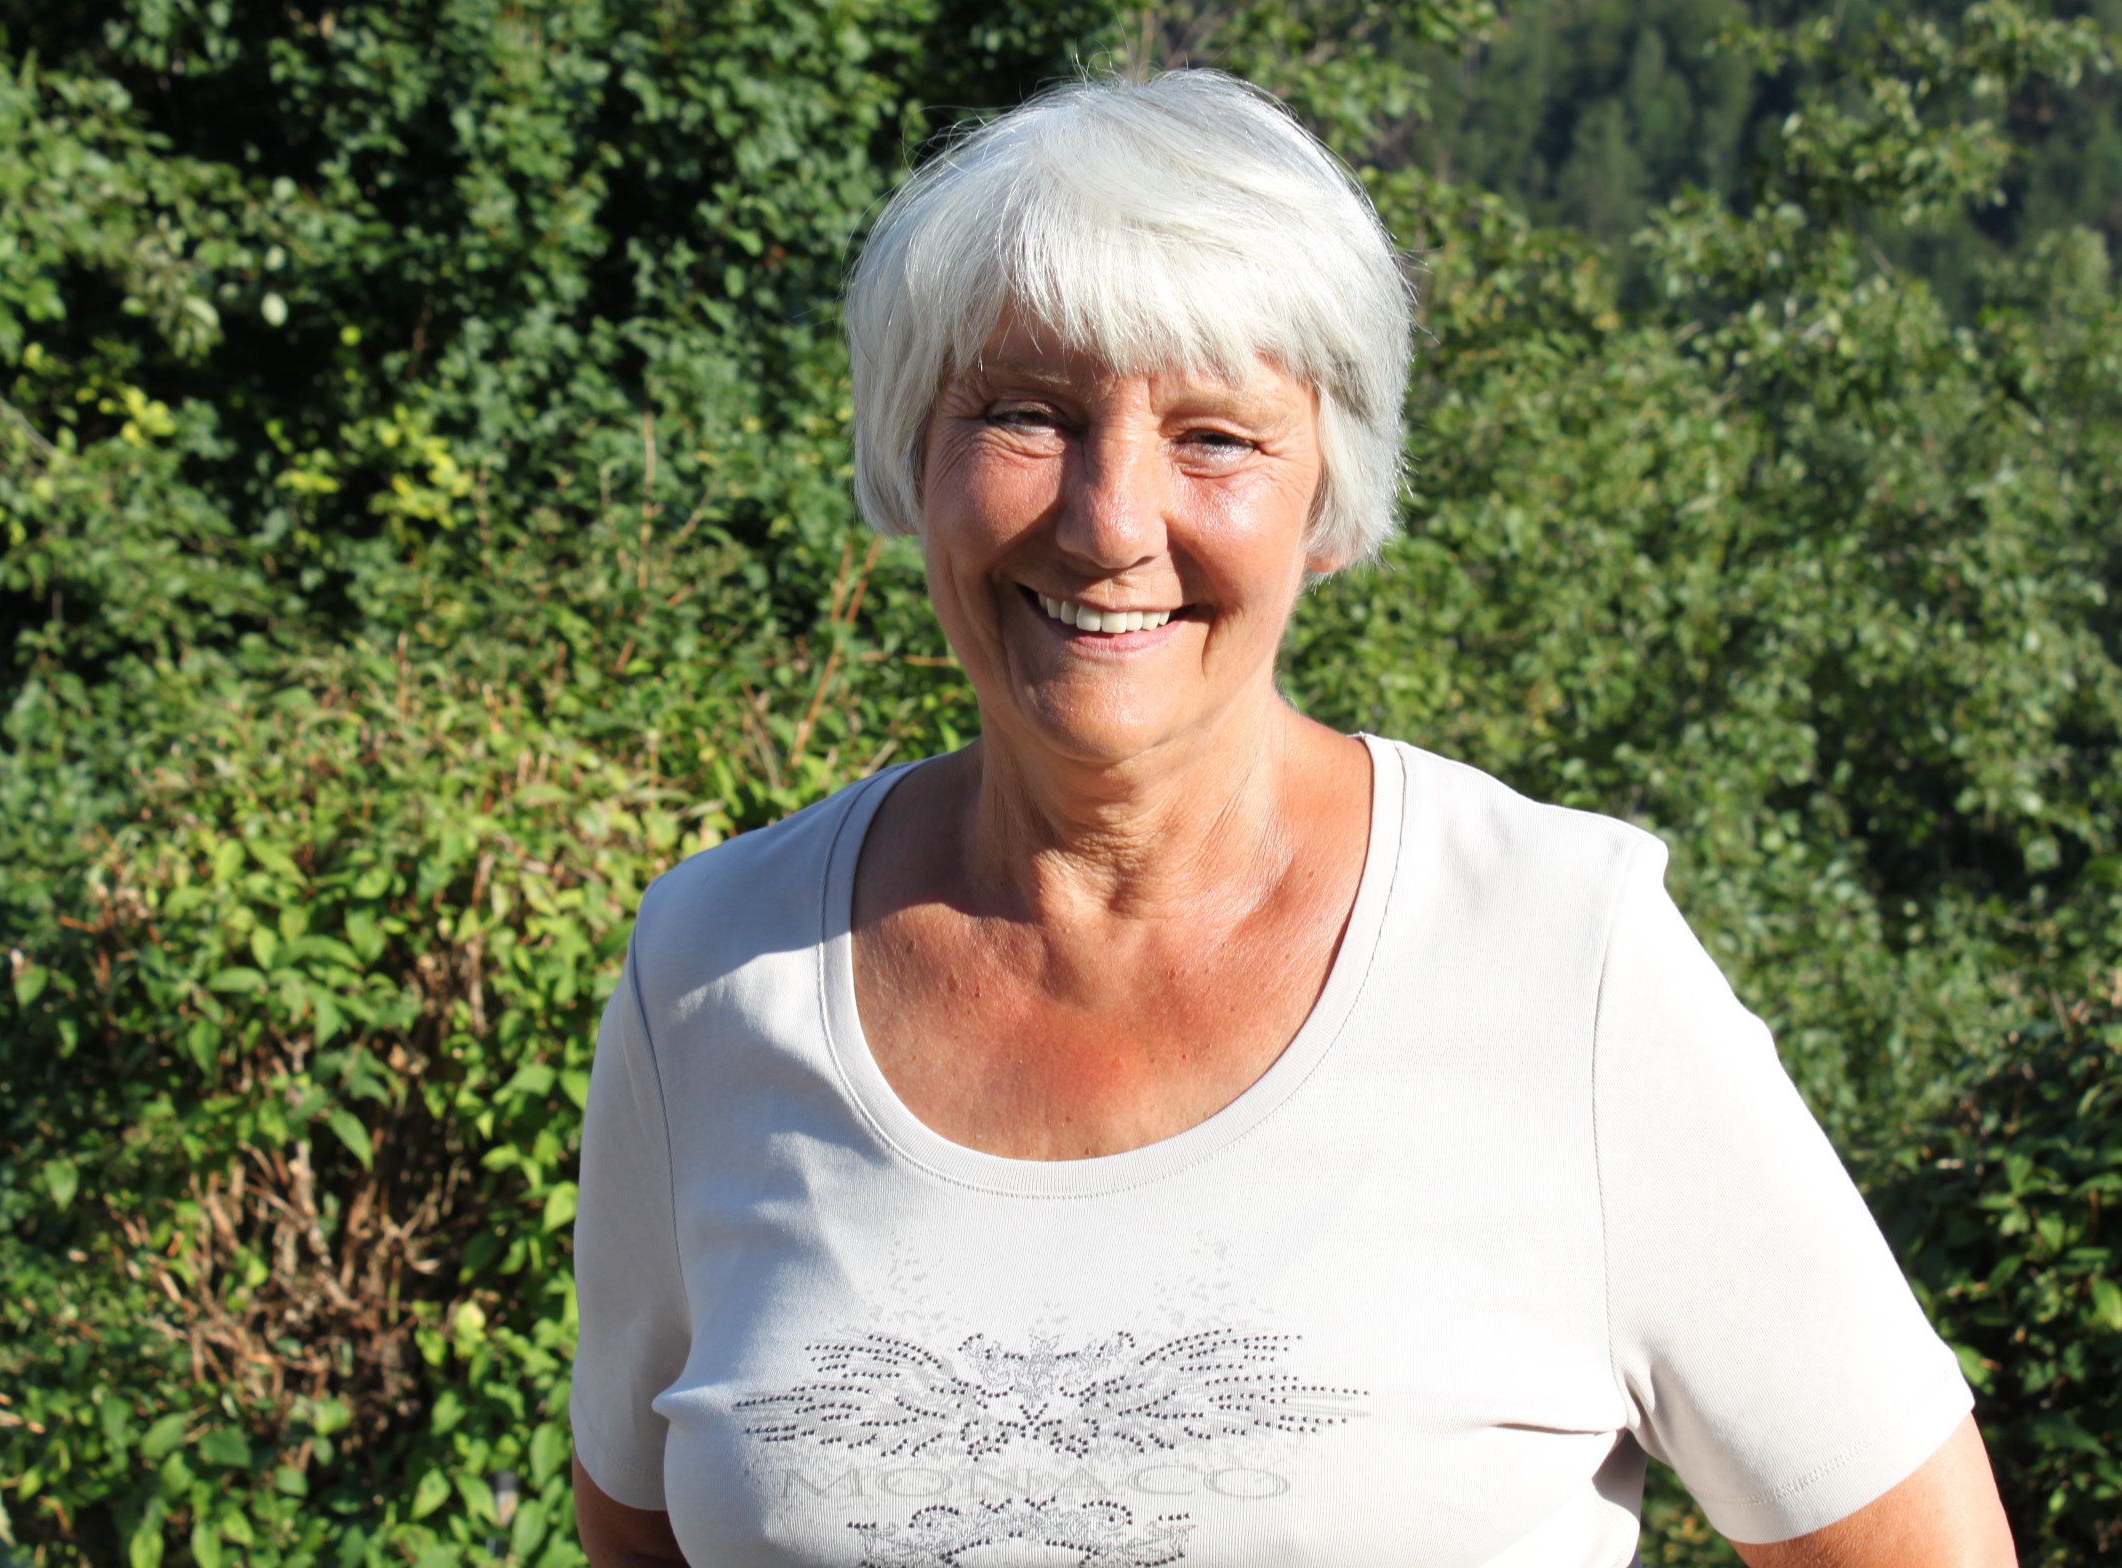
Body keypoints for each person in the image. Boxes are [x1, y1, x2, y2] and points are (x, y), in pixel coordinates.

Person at [566, 70, 2016, 1568]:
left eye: (1214, 437)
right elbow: (639, 1532)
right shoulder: (713, 969)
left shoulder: (1563, 956)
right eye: (1025, 415)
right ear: (913, 452)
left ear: (1327, 498)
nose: (1110, 521)